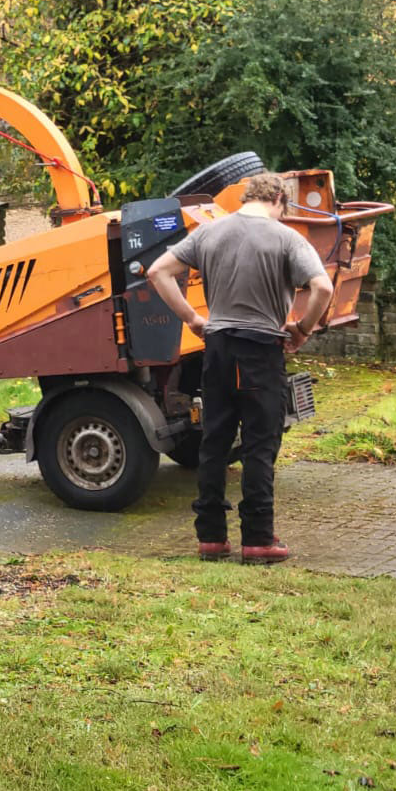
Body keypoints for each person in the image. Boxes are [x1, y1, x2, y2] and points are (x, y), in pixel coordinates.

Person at [147, 173, 334, 565]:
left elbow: (157, 272)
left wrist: (193, 320)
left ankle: (211, 538)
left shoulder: (208, 233)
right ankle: (258, 540)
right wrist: (301, 330)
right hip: (261, 353)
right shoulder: (286, 238)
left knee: (214, 443)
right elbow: (323, 288)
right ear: (279, 200)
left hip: (216, 349)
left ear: (246, 197)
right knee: (259, 446)